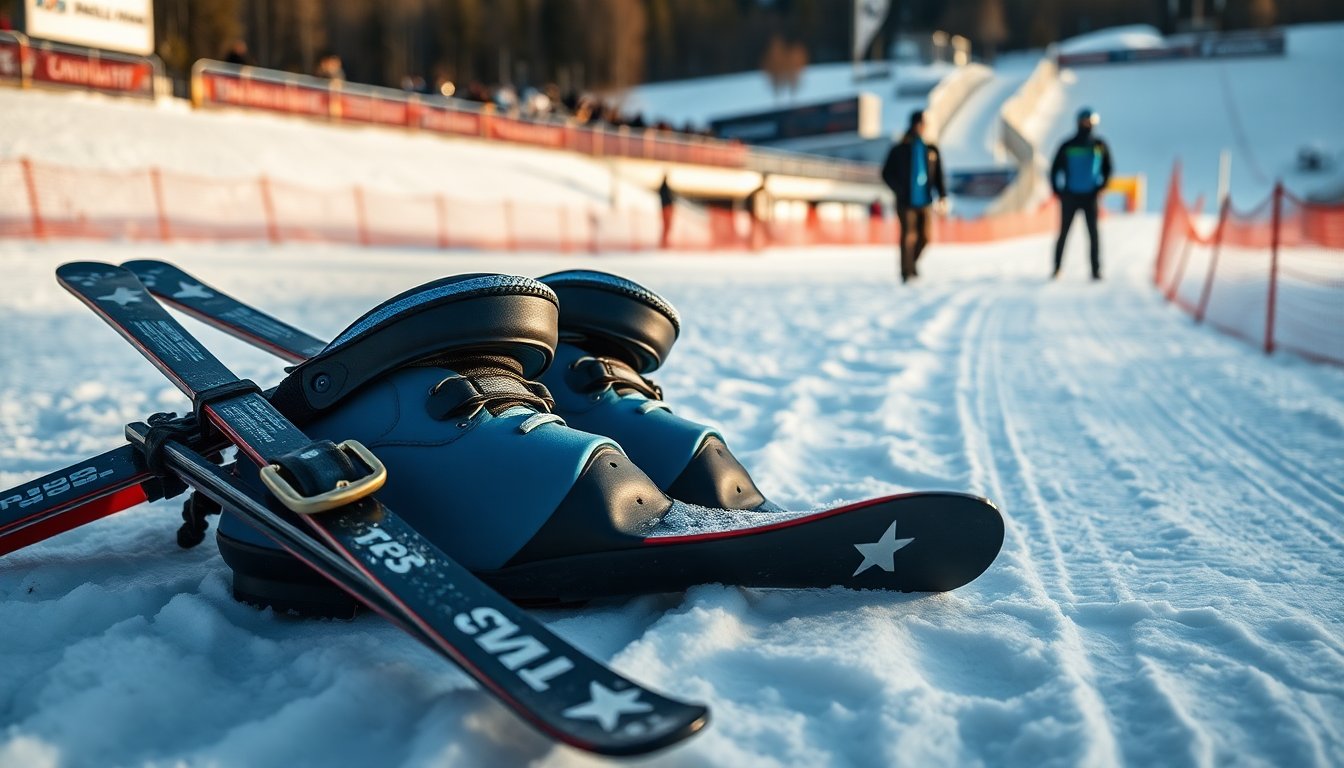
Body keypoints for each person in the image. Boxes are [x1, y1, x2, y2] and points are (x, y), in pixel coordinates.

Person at [881, 110, 948, 283]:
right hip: (905, 201)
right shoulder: (899, 149)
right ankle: (906, 272)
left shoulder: (931, 149)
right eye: (920, 123)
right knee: (908, 235)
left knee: (925, 237)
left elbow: (939, 175)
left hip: (924, 200)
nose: (922, 127)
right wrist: (899, 189)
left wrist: (942, 195)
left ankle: (912, 264)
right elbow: (886, 173)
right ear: (913, 124)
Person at [1050, 107, 1113, 280]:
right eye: (1084, 121)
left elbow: (1108, 168)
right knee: (1064, 233)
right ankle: (1056, 268)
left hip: (1090, 197)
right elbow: (1055, 168)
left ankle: (1095, 270)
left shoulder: (1099, 145)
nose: (1087, 125)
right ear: (1078, 122)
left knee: (1093, 234)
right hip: (1070, 196)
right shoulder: (1067, 145)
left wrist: (1101, 187)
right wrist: (1058, 190)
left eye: (1090, 122)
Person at [658, 175, 675, 249]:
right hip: (666, 208)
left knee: (666, 227)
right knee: (666, 226)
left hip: (665, 208)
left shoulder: (663, 188)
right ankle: (664, 243)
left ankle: (665, 242)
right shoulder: (664, 188)